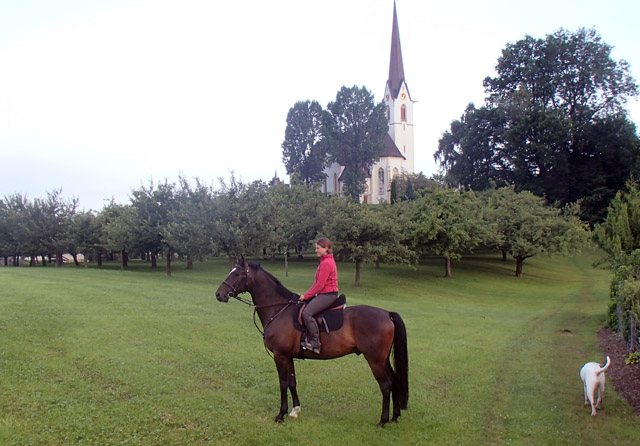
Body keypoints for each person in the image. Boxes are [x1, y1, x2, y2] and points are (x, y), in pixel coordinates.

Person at [299, 237, 339, 354]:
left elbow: (320, 285)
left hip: (328, 295)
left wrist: (306, 296)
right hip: (324, 293)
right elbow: (317, 284)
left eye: (318, 248)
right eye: (315, 248)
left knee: (307, 313)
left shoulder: (326, 263)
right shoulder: (324, 261)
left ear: (326, 248)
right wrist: (306, 294)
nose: (316, 250)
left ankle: (315, 342)